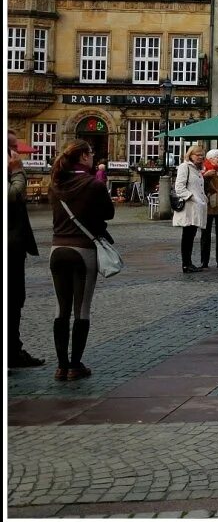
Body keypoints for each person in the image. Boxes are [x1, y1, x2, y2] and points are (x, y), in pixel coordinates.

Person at [48, 139, 113, 381]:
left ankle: (60, 365)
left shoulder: (55, 184)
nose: (93, 157)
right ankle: (75, 365)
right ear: (84, 157)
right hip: (83, 249)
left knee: (60, 309)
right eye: (91, 153)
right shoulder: (93, 185)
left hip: (57, 249)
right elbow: (109, 213)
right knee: (81, 309)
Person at [8, 131, 44, 368]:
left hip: (14, 245)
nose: (16, 152)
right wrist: (18, 172)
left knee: (15, 299)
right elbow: (11, 197)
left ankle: (13, 350)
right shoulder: (13, 171)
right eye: (12, 147)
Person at [174, 145, 208, 273]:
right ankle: (186, 264)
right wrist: (193, 198)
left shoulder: (198, 170)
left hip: (197, 207)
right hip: (189, 207)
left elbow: (198, 187)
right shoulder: (185, 167)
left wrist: (204, 198)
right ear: (190, 155)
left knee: (191, 235)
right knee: (187, 235)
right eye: (197, 155)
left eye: (202, 155)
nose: (200, 157)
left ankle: (188, 263)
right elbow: (179, 188)